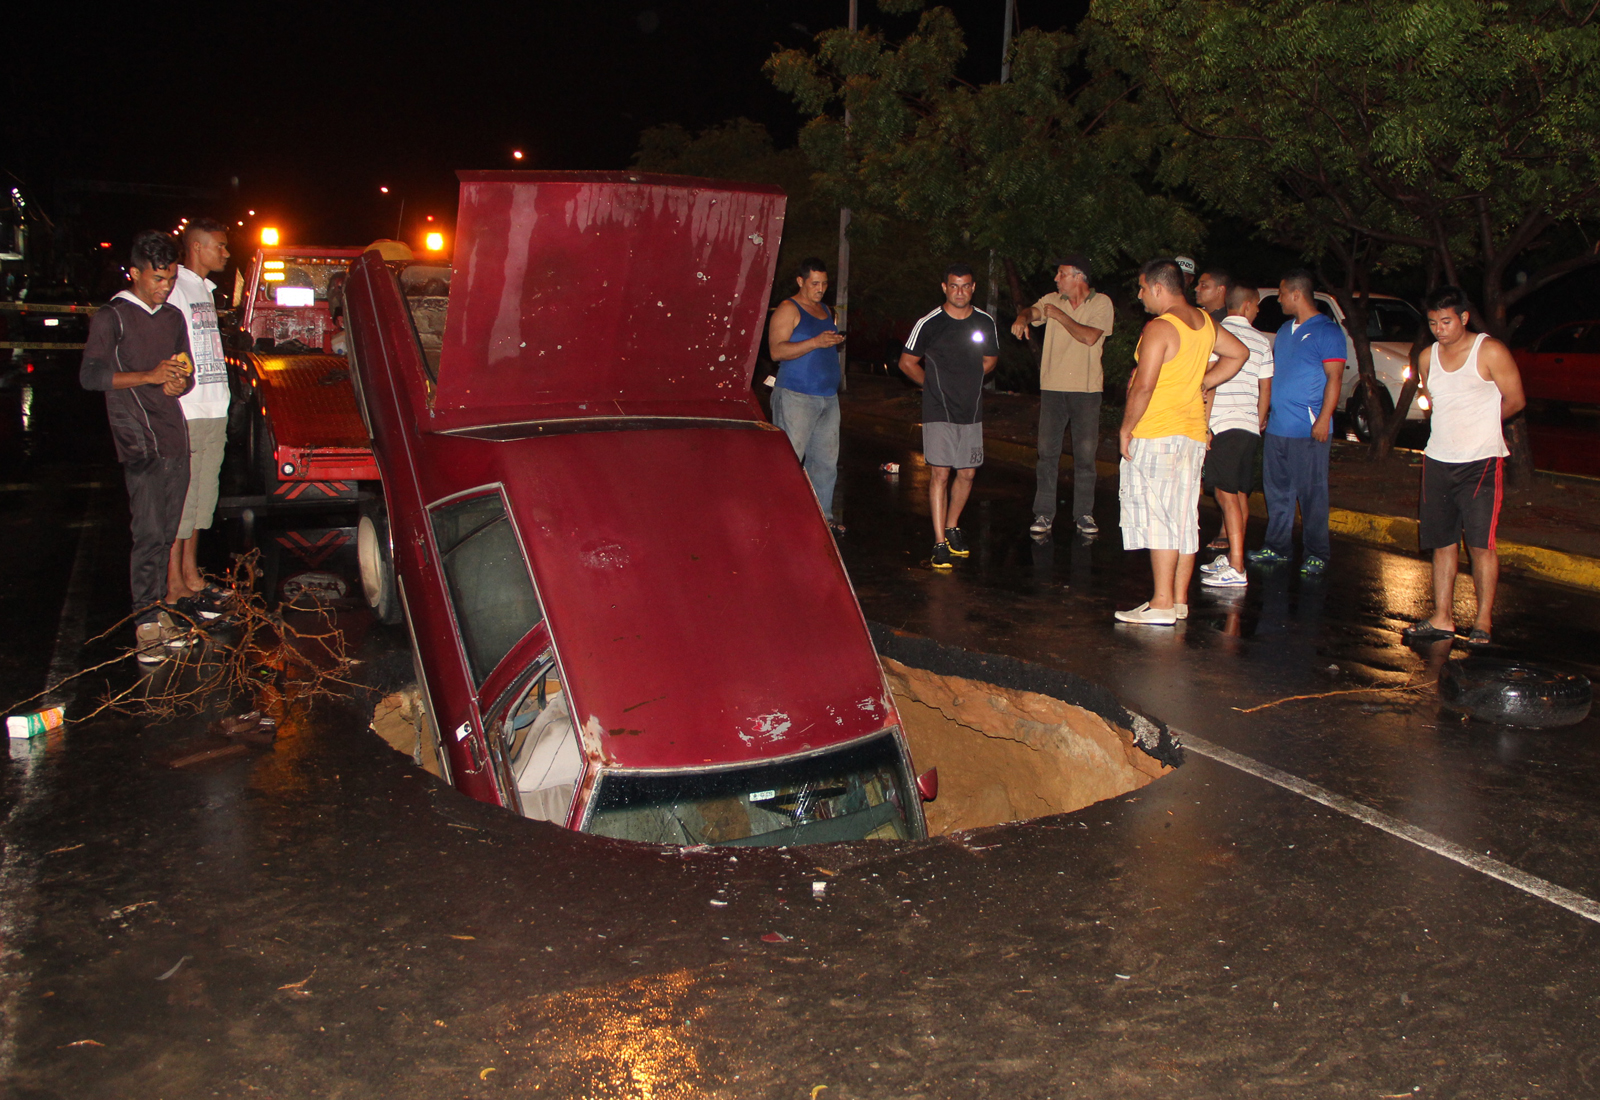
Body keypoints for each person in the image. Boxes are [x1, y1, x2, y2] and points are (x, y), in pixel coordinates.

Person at [80, 231, 195, 661]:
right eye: (157, 279)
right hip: (136, 436)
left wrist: (179, 382)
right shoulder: (113, 316)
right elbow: (91, 377)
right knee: (147, 532)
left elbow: (185, 374)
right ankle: (145, 624)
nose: (164, 287)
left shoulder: (172, 318)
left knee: (166, 533)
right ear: (134, 272)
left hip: (172, 434)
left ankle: (158, 610)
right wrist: (148, 376)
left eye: (170, 278)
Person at [1115, 258, 1248, 624]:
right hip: (1191, 433)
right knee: (1184, 517)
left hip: (1157, 431)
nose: (1140, 296)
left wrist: (1126, 428)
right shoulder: (1204, 322)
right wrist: (1204, 381)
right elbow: (1239, 354)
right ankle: (1177, 600)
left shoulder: (1160, 327)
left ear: (1159, 288)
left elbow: (1144, 385)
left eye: (1142, 289)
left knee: (1159, 518)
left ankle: (1160, 604)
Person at [1402, 286, 1525, 647]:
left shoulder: (1489, 350)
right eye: (1433, 323)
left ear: (1464, 317)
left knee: (1481, 544)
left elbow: (1516, 399)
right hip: (1438, 459)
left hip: (1481, 462)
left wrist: (1483, 424)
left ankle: (1483, 622)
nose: (1440, 329)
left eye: (1446, 321)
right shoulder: (1427, 357)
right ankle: (1443, 617)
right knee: (1442, 542)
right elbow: (1434, 401)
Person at [898, 264, 999, 570]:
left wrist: (968, 380)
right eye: (954, 286)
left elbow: (991, 358)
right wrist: (932, 385)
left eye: (965, 286)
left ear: (973, 287)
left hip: (970, 409)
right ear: (944, 287)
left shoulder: (984, 321)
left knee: (967, 472)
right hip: (938, 409)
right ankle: (939, 541)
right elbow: (906, 362)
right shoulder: (929, 323)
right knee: (940, 473)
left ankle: (952, 527)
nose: (959, 292)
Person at [1249, 270, 1345, 575]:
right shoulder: (1286, 330)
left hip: (1308, 429)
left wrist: (1324, 419)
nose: (1277, 300)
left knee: (1312, 493)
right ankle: (1277, 547)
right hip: (1279, 427)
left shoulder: (1327, 332)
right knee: (1277, 491)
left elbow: (1335, 378)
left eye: (1280, 293)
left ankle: (1317, 552)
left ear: (1296, 294)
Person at [1010, 255, 1114, 537]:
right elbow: (1034, 311)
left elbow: (1090, 337)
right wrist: (1022, 318)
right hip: (1053, 389)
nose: (1056, 279)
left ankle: (1084, 514)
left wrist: (1059, 316)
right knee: (1047, 453)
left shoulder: (1101, 303)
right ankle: (1043, 513)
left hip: (1087, 391)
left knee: (1085, 456)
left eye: (1062, 273)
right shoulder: (1052, 299)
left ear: (1079, 277)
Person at [165, 218, 233, 615]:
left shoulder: (204, 291)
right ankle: (174, 584)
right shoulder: (176, 289)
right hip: (188, 411)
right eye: (219, 246)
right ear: (196, 247)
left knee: (203, 499)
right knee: (181, 501)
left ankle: (192, 575)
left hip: (213, 407)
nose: (225, 253)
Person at [1199, 285, 1274, 589]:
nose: (1257, 311)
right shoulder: (1262, 341)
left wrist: (1204, 425)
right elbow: (1265, 388)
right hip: (1247, 427)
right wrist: (1256, 422)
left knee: (1225, 494)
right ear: (1246, 306)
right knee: (1239, 493)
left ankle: (1238, 566)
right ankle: (1233, 558)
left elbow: (1209, 382)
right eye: (1256, 306)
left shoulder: (1214, 334)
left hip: (1223, 423)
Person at [767, 257, 847, 533]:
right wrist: (816, 342)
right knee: (790, 459)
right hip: (796, 396)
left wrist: (831, 342)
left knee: (825, 462)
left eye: (824, 283)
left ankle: (822, 518)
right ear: (800, 281)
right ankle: (778, 517)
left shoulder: (825, 309)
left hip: (827, 397)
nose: (821, 288)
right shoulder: (788, 309)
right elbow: (776, 351)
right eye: (815, 283)